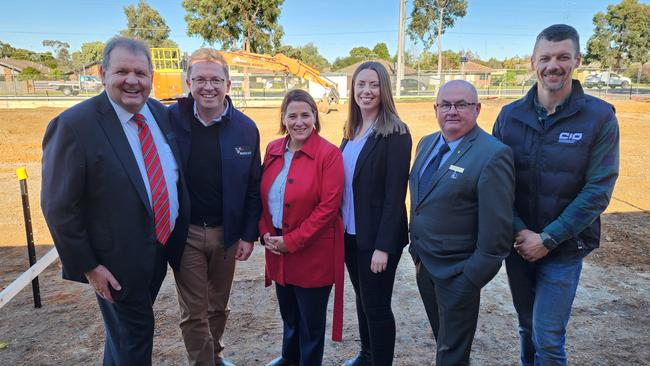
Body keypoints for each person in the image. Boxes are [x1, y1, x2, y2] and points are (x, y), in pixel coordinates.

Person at [40, 36, 190, 365]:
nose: (132, 81)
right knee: (135, 338)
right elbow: (59, 207)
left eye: (141, 73)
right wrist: (90, 267)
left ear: (152, 76)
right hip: (115, 263)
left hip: (158, 250)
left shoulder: (158, 113)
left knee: (123, 336)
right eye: (122, 71)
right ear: (102, 72)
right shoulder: (74, 126)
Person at [493, 24, 619, 366]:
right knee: (525, 327)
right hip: (518, 246)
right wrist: (521, 233)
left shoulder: (599, 116)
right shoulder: (509, 117)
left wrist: (548, 238)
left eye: (563, 57)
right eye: (546, 57)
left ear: (577, 60)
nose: (553, 65)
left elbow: (598, 190)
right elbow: (497, 184)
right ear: (533, 61)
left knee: (548, 338)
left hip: (564, 248)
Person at [409, 80, 515, 366]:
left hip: (459, 274)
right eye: (445, 104)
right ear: (436, 108)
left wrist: (470, 279)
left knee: (452, 354)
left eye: (462, 104)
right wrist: (417, 254)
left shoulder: (493, 154)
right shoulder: (427, 143)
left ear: (477, 109)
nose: (452, 111)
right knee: (444, 340)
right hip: (426, 265)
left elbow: (497, 232)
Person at [168, 48, 261, 366]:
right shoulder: (171, 120)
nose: (208, 87)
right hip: (187, 233)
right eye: (200, 79)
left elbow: (252, 187)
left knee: (218, 306)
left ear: (228, 84)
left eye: (215, 80)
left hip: (227, 234)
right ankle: (203, 363)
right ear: (188, 82)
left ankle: (214, 355)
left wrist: (248, 233)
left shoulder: (246, 129)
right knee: (194, 311)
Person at [259, 89, 345, 366]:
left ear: (315, 117)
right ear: (283, 118)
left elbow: (328, 208)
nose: (299, 122)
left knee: (310, 324)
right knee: (290, 316)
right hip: (277, 248)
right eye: (292, 115)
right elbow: (263, 196)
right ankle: (289, 358)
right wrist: (265, 233)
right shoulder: (273, 150)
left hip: (312, 253)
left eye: (305, 115)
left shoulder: (329, 154)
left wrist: (292, 241)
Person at [340, 61, 412, 366]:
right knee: (362, 300)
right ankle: (367, 354)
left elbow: (395, 196)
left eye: (373, 85)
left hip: (378, 240)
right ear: (353, 89)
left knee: (377, 306)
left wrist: (383, 247)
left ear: (384, 89)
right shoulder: (351, 131)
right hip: (351, 234)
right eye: (360, 85)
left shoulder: (395, 132)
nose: (366, 91)